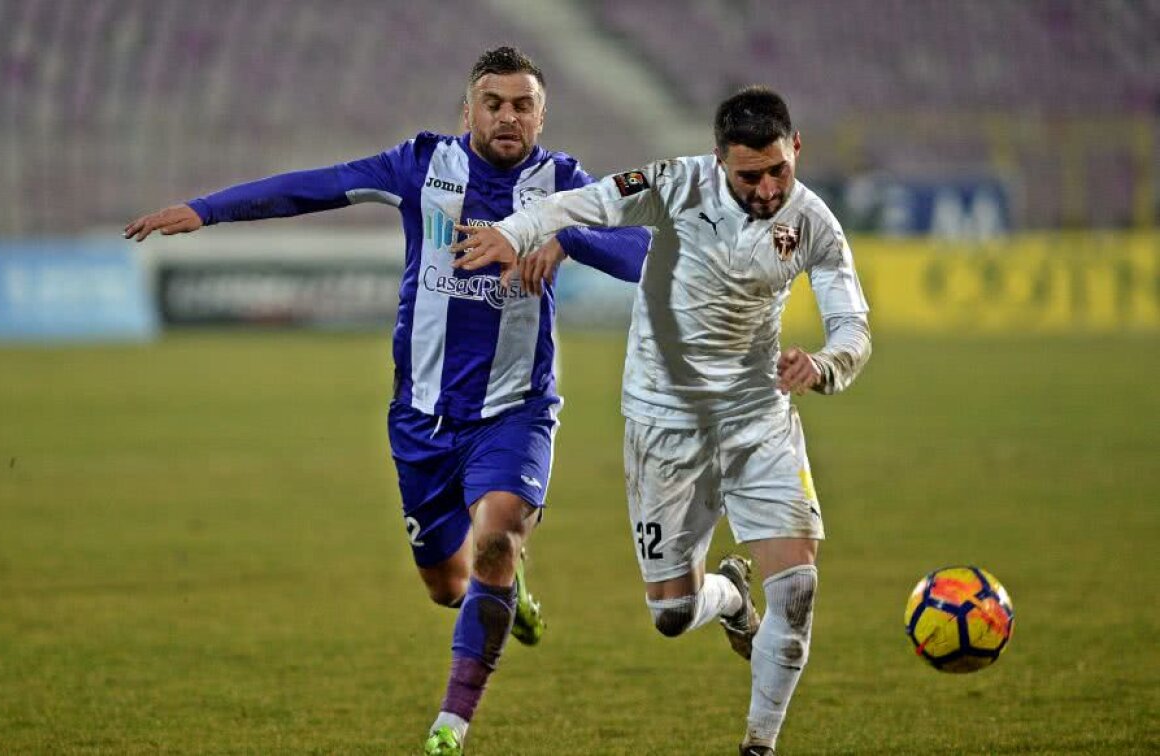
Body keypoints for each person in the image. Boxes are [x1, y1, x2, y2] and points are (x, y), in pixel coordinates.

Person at [123, 47, 650, 756]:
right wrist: (207, 210)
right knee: (447, 586)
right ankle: (503, 594)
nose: (507, 116)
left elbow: (646, 257)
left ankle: (450, 726)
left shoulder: (564, 186)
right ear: (467, 111)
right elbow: (316, 186)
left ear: (542, 115)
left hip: (514, 411)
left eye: (522, 104)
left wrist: (565, 233)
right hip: (422, 419)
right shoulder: (421, 166)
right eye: (492, 102)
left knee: (496, 537)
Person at [453, 86, 872, 755]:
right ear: (718, 162)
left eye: (777, 171)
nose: (766, 188)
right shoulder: (673, 183)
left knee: (796, 589)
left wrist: (825, 365)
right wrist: (515, 231)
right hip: (663, 426)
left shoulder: (815, 223)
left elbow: (853, 324)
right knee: (672, 613)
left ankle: (759, 745)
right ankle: (729, 597)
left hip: (756, 416)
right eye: (748, 175)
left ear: (796, 149)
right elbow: (577, 205)